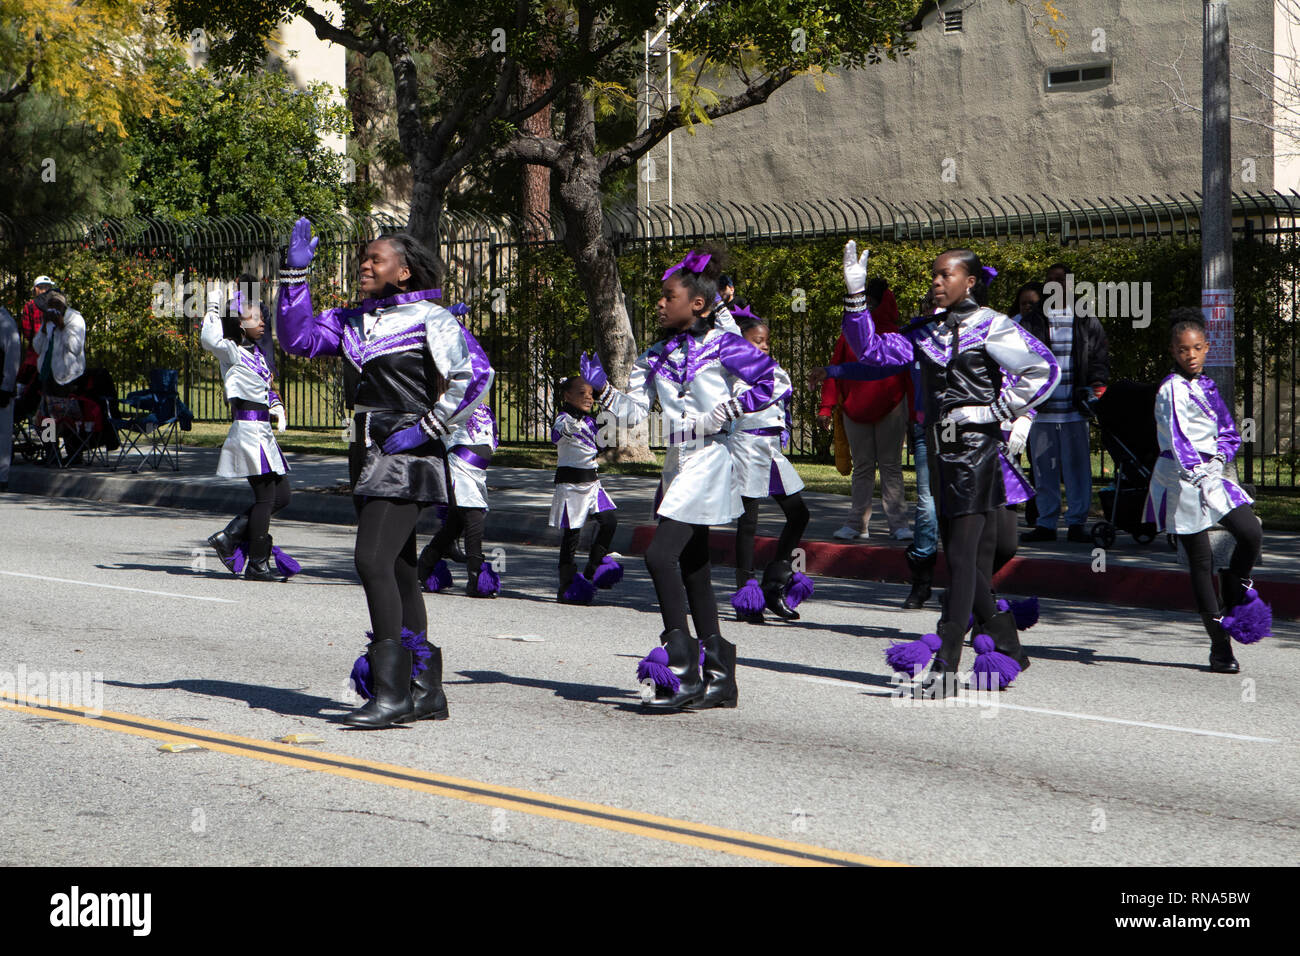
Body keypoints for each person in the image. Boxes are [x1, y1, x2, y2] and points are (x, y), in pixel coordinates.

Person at [277, 218, 494, 728]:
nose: (365, 265)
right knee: (398, 569)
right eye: (363, 258)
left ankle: (390, 690)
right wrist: (295, 276)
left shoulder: (431, 318)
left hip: (406, 454)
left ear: (404, 272)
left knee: (371, 560)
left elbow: (475, 375)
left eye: (376, 259)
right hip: (365, 451)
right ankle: (425, 689)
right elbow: (298, 340)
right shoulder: (353, 320)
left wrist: (428, 427)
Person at [839, 243, 1058, 697]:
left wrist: (997, 411)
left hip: (976, 453)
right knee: (968, 560)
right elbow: (872, 352)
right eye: (934, 276)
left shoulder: (993, 326)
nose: (936, 282)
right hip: (941, 455)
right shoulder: (926, 332)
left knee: (962, 558)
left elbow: (1044, 369)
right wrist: (856, 295)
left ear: (970, 281)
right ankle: (1006, 646)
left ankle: (945, 666)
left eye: (946, 275)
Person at [581, 248, 777, 710]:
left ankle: (683, 668)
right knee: (693, 565)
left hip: (711, 460)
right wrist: (604, 389)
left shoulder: (727, 345)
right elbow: (631, 412)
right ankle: (720, 674)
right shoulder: (655, 354)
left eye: (669, 297)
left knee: (659, 554)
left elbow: (774, 385)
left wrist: (724, 413)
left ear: (699, 305)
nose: (660, 304)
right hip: (678, 465)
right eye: (660, 297)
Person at [1145, 309, 1270, 672]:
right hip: (1179, 478)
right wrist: (1197, 471)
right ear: (1173, 351)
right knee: (1200, 563)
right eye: (1184, 350)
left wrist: (1218, 459)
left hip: (1210, 475)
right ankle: (1220, 648)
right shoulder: (1170, 389)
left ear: (1207, 348)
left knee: (1251, 531)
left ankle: (1235, 587)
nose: (1191, 355)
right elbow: (1178, 436)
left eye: (1197, 348)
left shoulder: (1209, 386)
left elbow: (1229, 432)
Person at [201, 285, 298, 582]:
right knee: (266, 499)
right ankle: (257, 562)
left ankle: (229, 536)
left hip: (263, 432)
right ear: (240, 323)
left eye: (262, 318)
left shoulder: (256, 353)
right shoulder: (230, 351)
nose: (262, 323)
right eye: (254, 318)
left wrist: (277, 407)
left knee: (282, 496)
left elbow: (265, 390)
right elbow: (208, 339)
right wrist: (214, 308)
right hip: (248, 432)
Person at [727, 305, 812, 624]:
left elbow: (783, 401)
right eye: (756, 341)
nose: (763, 346)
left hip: (771, 450)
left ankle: (774, 585)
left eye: (765, 342)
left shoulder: (773, 369)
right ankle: (746, 594)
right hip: (747, 447)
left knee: (799, 513)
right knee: (748, 521)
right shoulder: (734, 371)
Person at [1019, 265, 1109, 543]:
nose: (1056, 286)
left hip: (1074, 409)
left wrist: (1095, 390)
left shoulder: (1085, 320)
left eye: (1062, 281)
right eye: (1051, 281)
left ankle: (1076, 523)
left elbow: (1099, 358)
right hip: (1042, 410)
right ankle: (1046, 523)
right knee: (1043, 469)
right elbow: (1018, 360)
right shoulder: (1032, 321)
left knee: (1078, 469)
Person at [819, 278, 911, 542]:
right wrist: (826, 406)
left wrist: (915, 413)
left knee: (891, 466)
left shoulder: (897, 334)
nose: (867, 308)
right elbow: (835, 368)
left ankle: (898, 524)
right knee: (862, 466)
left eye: (872, 302)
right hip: (854, 408)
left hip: (892, 406)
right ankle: (857, 523)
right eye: (865, 302)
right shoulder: (849, 335)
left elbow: (907, 376)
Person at [417, 397, 502, 598]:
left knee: (455, 523)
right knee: (474, 517)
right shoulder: (448, 403)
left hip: (477, 472)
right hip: (459, 466)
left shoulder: (481, 407)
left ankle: (426, 565)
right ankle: (476, 578)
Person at [547, 375, 621, 604]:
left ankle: (593, 567)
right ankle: (566, 584)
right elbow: (557, 434)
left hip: (592, 484)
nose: (588, 397)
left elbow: (603, 441)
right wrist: (572, 425)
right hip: (571, 486)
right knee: (572, 536)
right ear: (567, 395)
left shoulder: (591, 421)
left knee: (609, 521)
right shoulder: (563, 420)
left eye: (591, 393)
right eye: (582, 393)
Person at [0, 305, 20, 492]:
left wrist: (6, 387)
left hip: (1, 387)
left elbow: (12, 356)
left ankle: (2, 478)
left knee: (3, 435)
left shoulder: (5, 323)